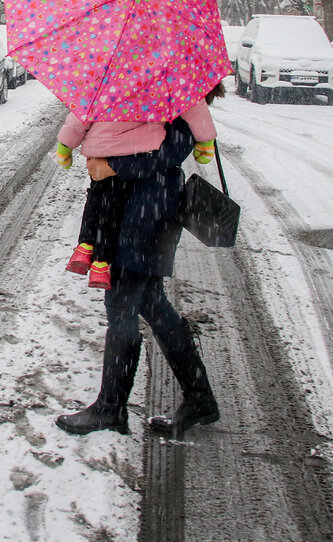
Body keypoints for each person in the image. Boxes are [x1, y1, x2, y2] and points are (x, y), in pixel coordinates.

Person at [55, 91, 223, 438]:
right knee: (151, 303)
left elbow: (176, 147)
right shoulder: (134, 76)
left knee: (121, 304)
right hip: (129, 208)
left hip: (149, 211)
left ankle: (112, 408)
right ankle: (199, 397)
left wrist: (115, 165)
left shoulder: (176, 84)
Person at [56, 86, 221, 290]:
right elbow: (195, 114)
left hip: (114, 162)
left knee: (99, 201)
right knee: (111, 209)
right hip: (138, 169)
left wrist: (69, 146)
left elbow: (81, 113)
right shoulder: (170, 83)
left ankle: (87, 247)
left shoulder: (111, 78)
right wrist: (206, 142)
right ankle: (99, 260)